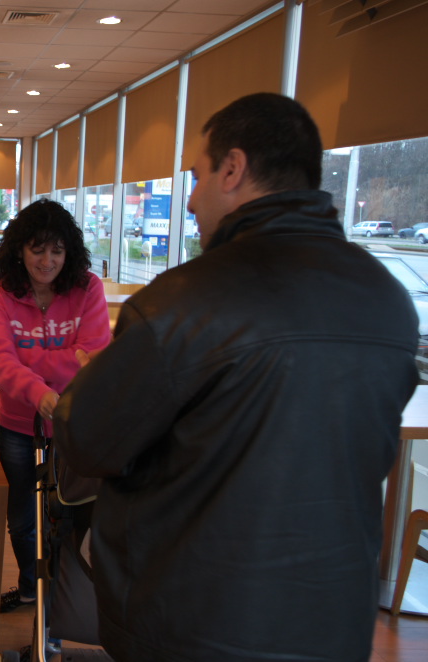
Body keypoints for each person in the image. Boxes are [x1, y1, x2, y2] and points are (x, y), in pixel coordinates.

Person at [54, 93, 420, 662]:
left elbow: (87, 440)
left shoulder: (182, 303)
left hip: (191, 623)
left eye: (197, 177)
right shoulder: (389, 302)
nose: (191, 198)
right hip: (335, 622)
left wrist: (97, 379)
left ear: (233, 169)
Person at [0, 198, 112, 612]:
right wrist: (39, 390)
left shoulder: (88, 288)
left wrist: (29, 362)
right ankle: (30, 588)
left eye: (57, 250)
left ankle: (60, 602)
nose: (47, 261)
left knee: (71, 515)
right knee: (22, 518)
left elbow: (94, 352)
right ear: (19, 249)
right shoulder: (0, 295)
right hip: (19, 422)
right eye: (37, 249)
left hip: (77, 422)